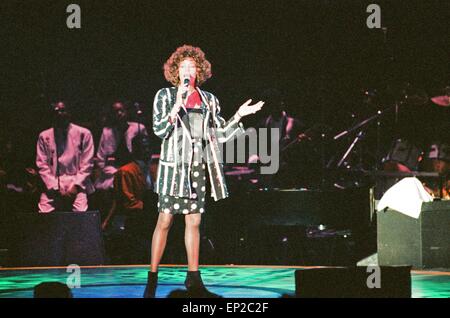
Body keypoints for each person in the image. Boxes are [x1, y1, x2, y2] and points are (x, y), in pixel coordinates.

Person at [143, 45, 264, 298]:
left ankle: (194, 278)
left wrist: (239, 115)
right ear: (176, 71)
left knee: (194, 221)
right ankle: (152, 278)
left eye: (193, 66)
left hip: (198, 166)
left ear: (200, 70)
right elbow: (158, 130)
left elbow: (218, 136)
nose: (189, 70)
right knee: (165, 220)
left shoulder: (209, 99)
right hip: (174, 167)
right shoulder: (165, 96)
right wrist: (177, 105)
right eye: (184, 66)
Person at [102, 134, 154, 263]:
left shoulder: (152, 169)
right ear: (134, 150)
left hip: (148, 217)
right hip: (134, 220)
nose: (147, 151)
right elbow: (128, 203)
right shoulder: (126, 171)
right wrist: (151, 209)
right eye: (143, 147)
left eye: (148, 147)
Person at [36, 101, 95, 212]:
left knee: (80, 212)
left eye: (63, 110)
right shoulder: (44, 136)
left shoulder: (84, 134)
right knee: (44, 212)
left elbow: (87, 164)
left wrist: (75, 186)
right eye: (57, 111)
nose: (60, 114)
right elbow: (42, 165)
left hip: (77, 182)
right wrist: (55, 188)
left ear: (69, 113)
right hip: (53, 182)